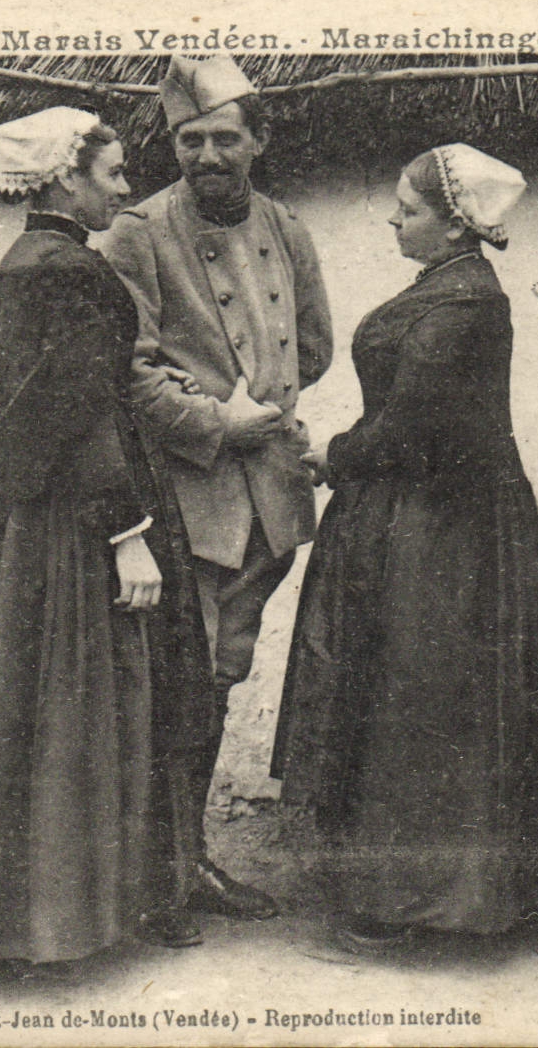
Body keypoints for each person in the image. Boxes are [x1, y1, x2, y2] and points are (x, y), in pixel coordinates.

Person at [0, 107, 214, 962]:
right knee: (71, 700)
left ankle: (20, 917)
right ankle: (52, 920)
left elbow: (73, 393)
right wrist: (126, 533)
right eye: (113, 173)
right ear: (67, 177)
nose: (125, 188)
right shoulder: (66, 269)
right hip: (68, 517)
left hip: (35, 509)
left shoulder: (33, 260)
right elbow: (71, 413)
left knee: (25, 699)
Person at [269, 144, 538, 949]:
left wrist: (334, 456)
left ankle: (420, 902)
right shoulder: (445, 287)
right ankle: (403, 891)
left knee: (424, 701)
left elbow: (415, 427)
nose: (393, 220)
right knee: (407, 696)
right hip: (415, 516)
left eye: (407, 210)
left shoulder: (467, 303)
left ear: (453, 225)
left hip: (446, 531)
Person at [97, 56, 332, 923]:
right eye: (189, 141)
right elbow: (126, 370)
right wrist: (215, 419)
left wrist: (262, 413)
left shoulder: (287, 227)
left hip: (268, 496)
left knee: (219, 683)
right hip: (184, 498)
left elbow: (314, 348)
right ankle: (154, 875)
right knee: (172, 688)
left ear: (258, 140)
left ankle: (185, 860)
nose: (207, 156)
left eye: (225, 138)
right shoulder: (139, 232)